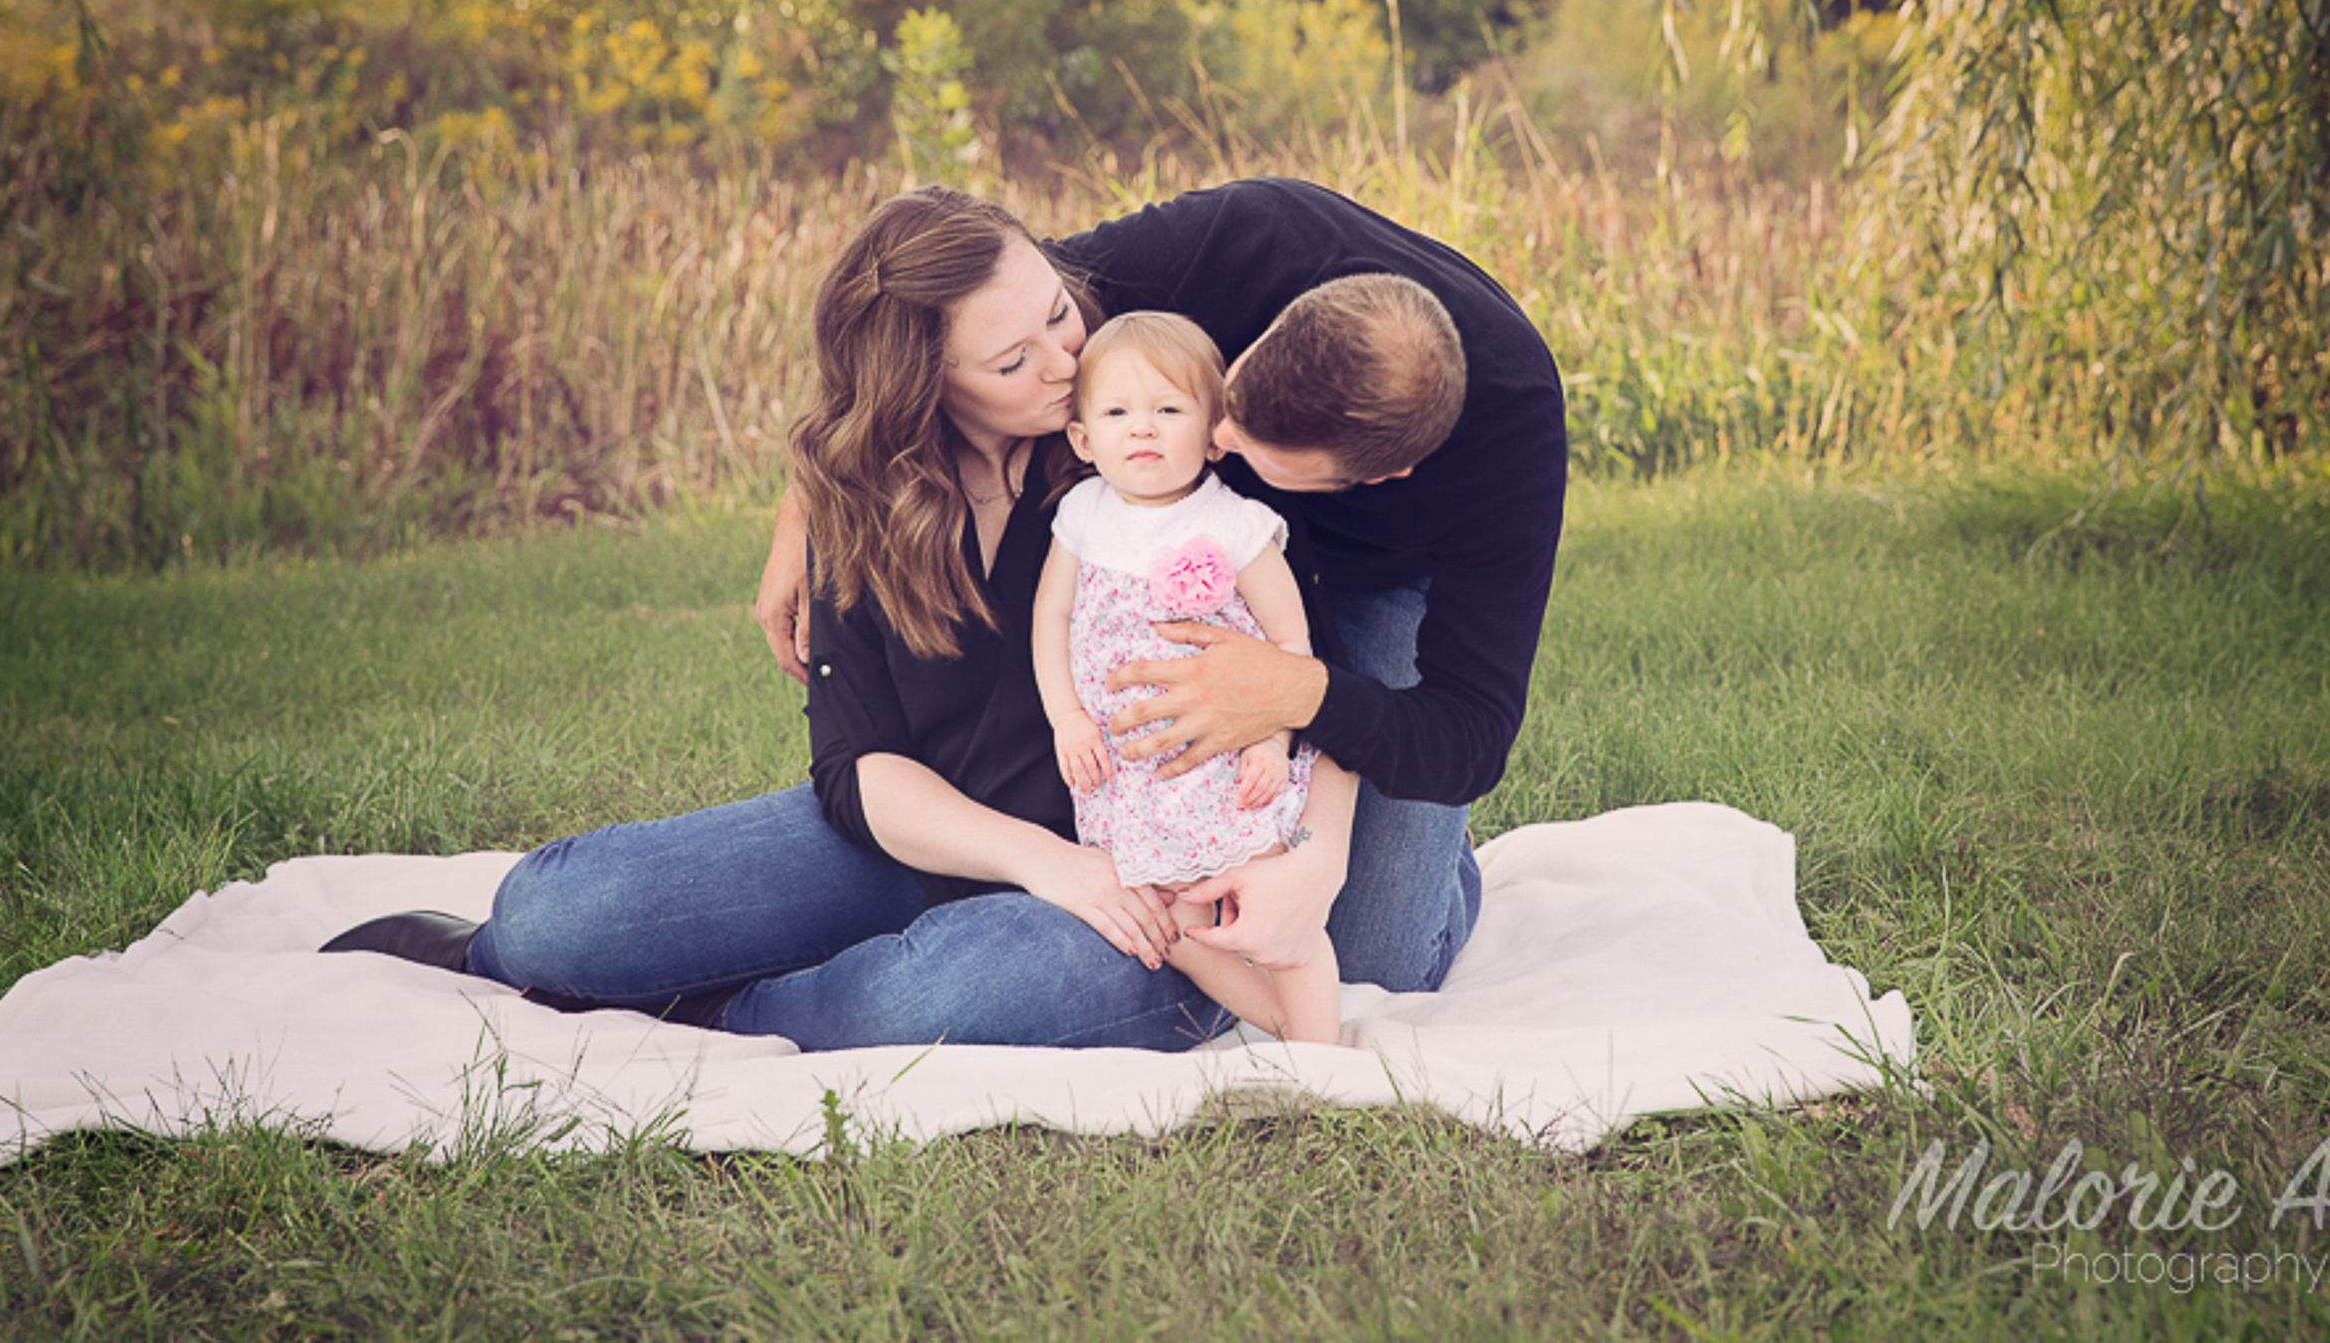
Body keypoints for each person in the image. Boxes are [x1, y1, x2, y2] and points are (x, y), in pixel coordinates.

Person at [324, 178, 1559, 1051]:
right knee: (556, 915)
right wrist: (810, 495)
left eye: (1066, 324)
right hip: (981, 829)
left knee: (1366, 950)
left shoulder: (1173, 456)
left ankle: (722, 1018)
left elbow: (1331, 672)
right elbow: (854, 765)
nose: (1085, 374)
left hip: (1164, 845)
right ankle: (526, 966)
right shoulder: (1081, 391)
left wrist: (1309, 844)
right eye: (1023, 361)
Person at [1036, 310, 1338, 1046]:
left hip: (1222, 767)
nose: (1142, 429)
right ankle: (1279, 1026)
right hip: (1132, 777)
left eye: (1168, 410)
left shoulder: (1237, 527)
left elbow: (1290, 643)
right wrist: (1067, 718)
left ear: (1212, 435)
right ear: (1082, 439)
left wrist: (1272, 745)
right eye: (1116, 412)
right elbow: (1053, 619)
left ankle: (1325, 1052)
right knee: (1176, 926)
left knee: (1271, 912)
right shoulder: (1082, 514)